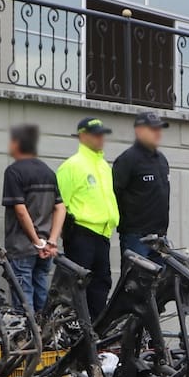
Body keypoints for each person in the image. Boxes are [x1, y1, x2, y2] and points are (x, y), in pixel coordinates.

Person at [56, 117, 119, 318]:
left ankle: (95, 330)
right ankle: (77, 329)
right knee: (78, 286)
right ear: (82, 136)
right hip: (81, 235)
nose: (101, 139)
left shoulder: (104, 167)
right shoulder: (71, 166)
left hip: (103, 235)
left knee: (101, 285)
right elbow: (59, 204)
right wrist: (54, 238)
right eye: (96, 135)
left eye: (102, 135)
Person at [1, 124, 66, 314]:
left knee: (23, 302)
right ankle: (44, 331)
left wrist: (36, 242)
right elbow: (60, 207)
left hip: (22, 247)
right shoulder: (48, 172)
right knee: (42, 297)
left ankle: (28, 332)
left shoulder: (13, 172)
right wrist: (51, 241)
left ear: (17, 144)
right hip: (45, 248)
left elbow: (21, 211)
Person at [113, 111, 171, 260]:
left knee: (163, 275)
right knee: (137, 275)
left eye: (159, 129)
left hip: (160, 238)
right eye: (153, 129)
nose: (158, 133)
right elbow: (114, 194)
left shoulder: (162, 160)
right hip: (136, 238)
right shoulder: (127, 159)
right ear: (139, 131)